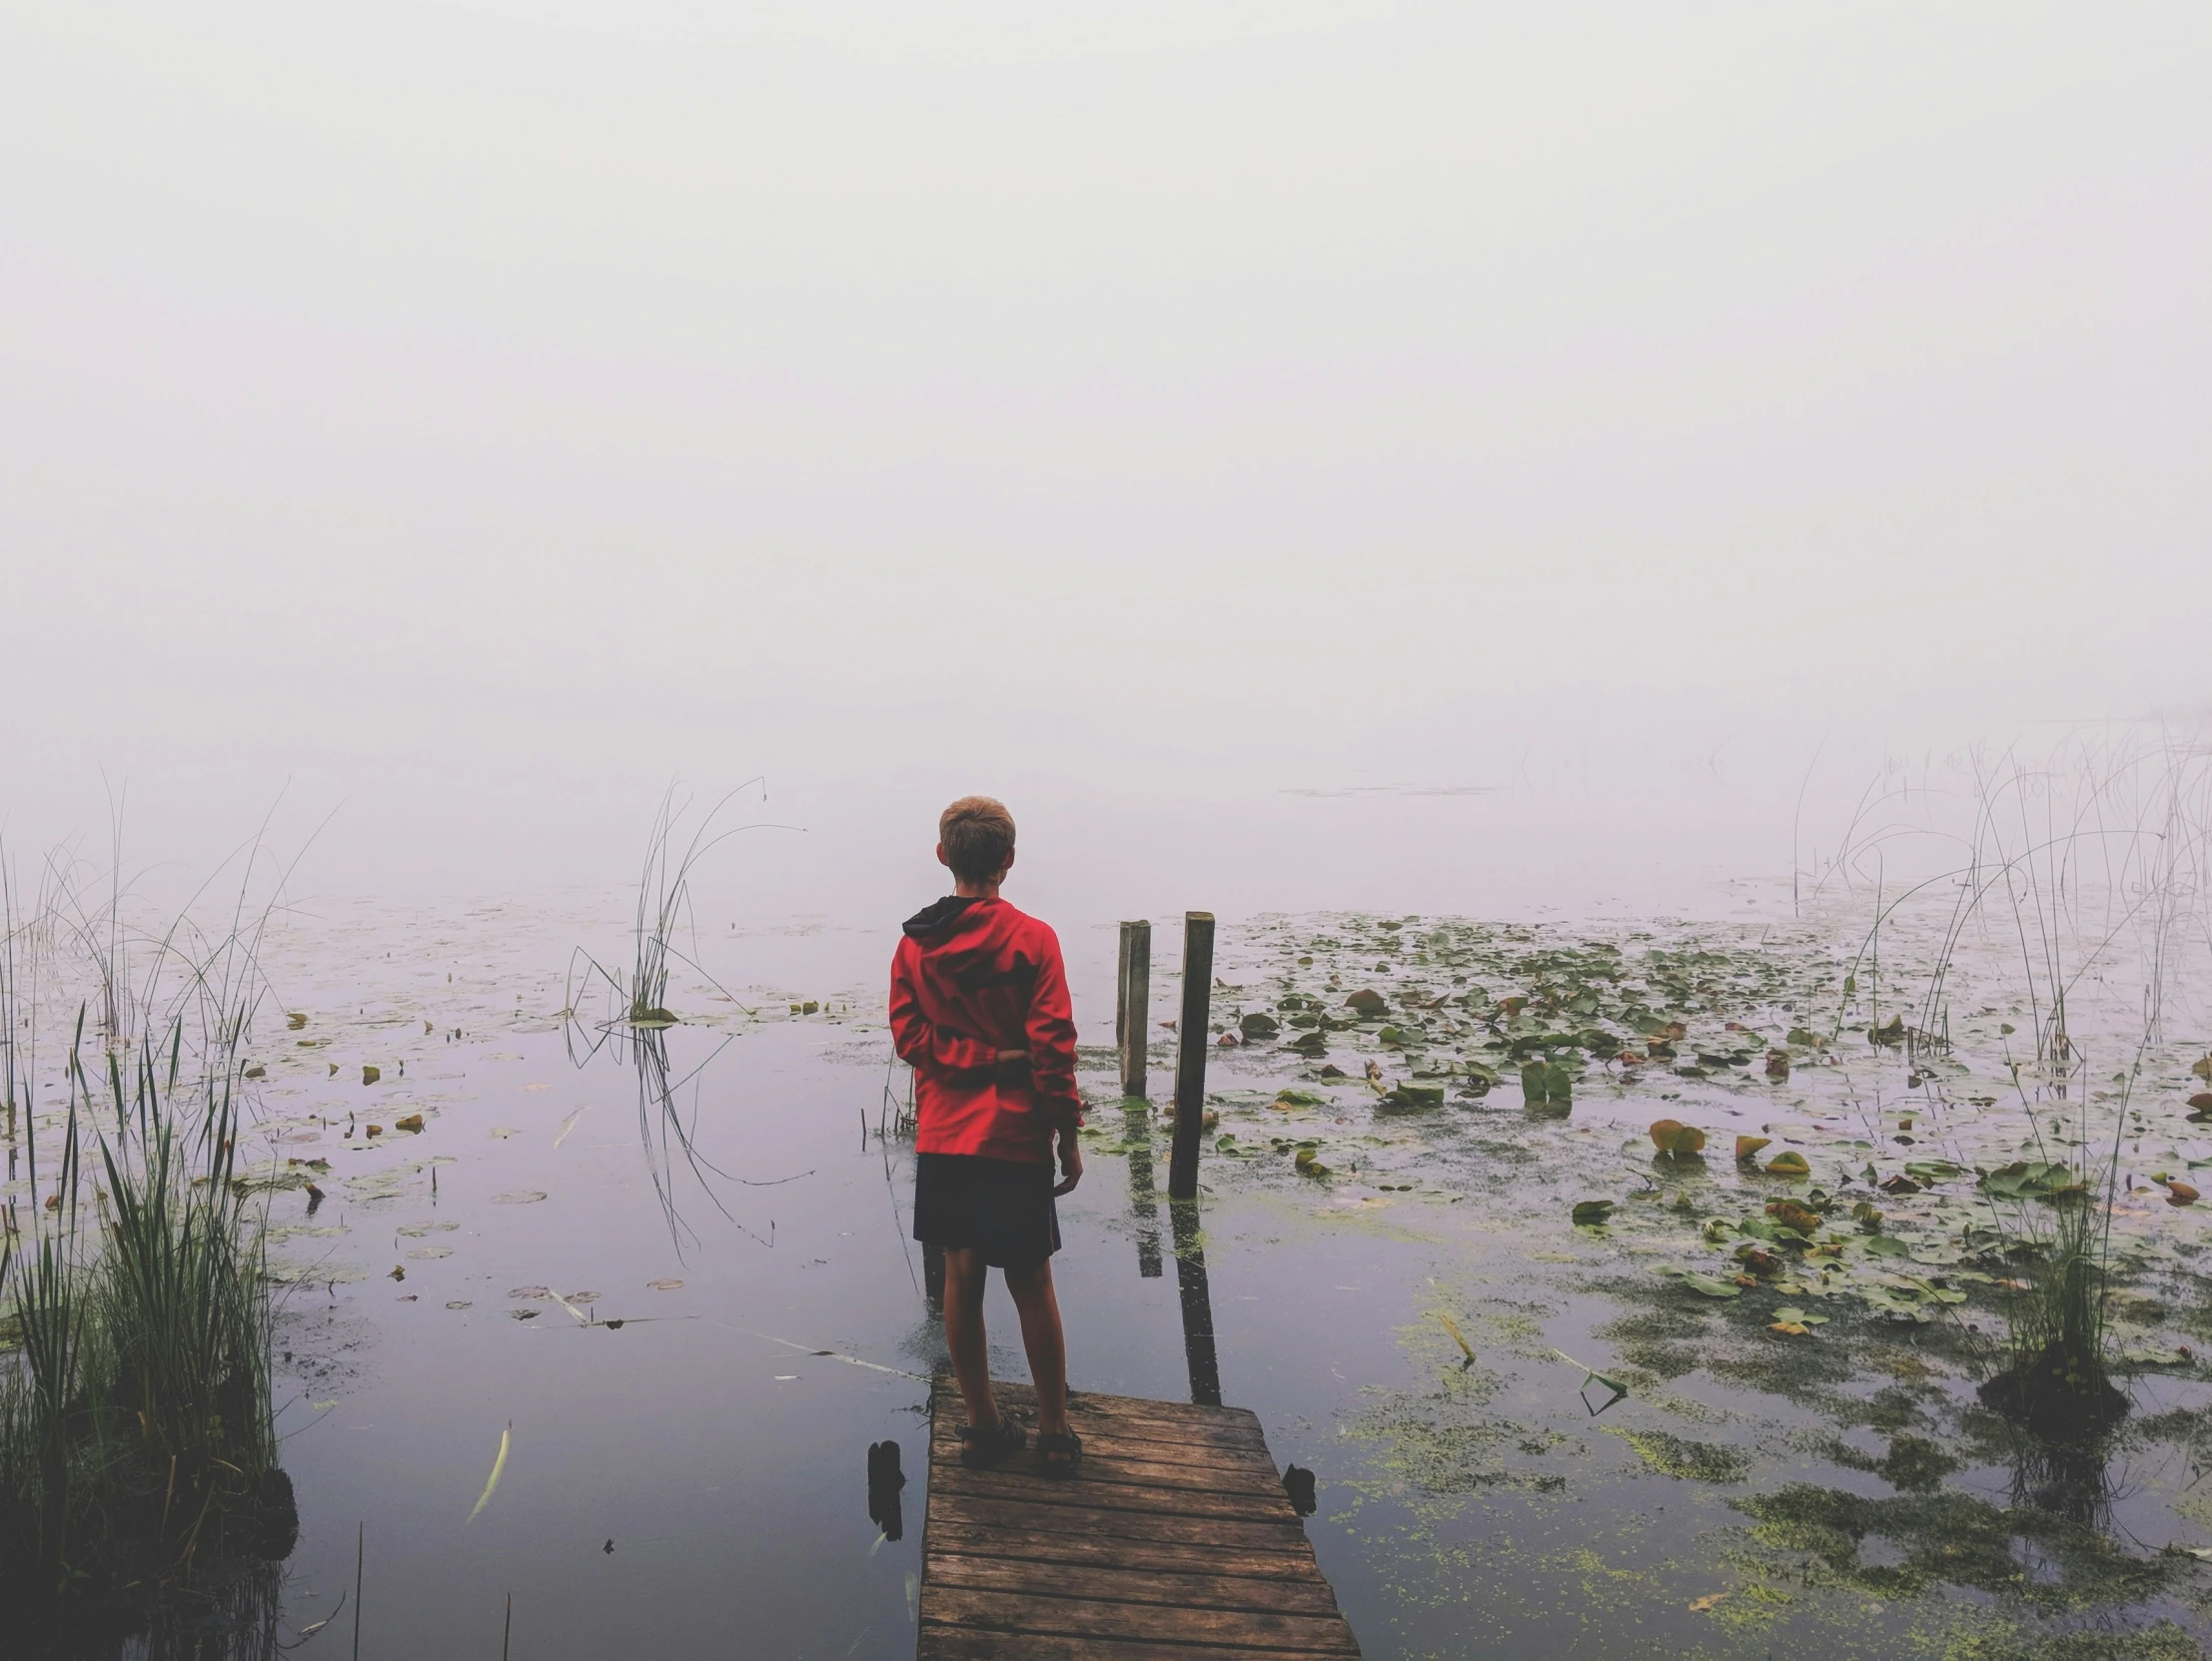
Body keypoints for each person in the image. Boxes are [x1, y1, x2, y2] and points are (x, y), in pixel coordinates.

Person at [888, 796, 1086, 1475]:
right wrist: (1068, 1132)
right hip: (1013, 1134)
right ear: (1007, 860)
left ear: (943, 855)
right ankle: (1055, 1432)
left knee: (961, 1273)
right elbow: (1053, 1048)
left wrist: (972, 1060)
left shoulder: (915, 944)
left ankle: (980, 1425)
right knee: (1031, 1279)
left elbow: (911, 1039)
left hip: (945, 1134)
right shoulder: (1035, 940)